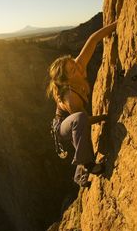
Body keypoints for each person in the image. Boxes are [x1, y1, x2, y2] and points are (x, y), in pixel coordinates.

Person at [47, 21, 117, 187]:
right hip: (62, 127)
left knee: (80, 124)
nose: (78, 69)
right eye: (72, 71)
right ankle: (88, 165)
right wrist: (104, 117)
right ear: (66, 80)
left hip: (76, 121)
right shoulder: (70, 97)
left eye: (74, 64)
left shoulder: (78, 65)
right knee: (80, 119)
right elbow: (82, 122)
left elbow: (93, 40)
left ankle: (79, 176)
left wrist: (116, 23)